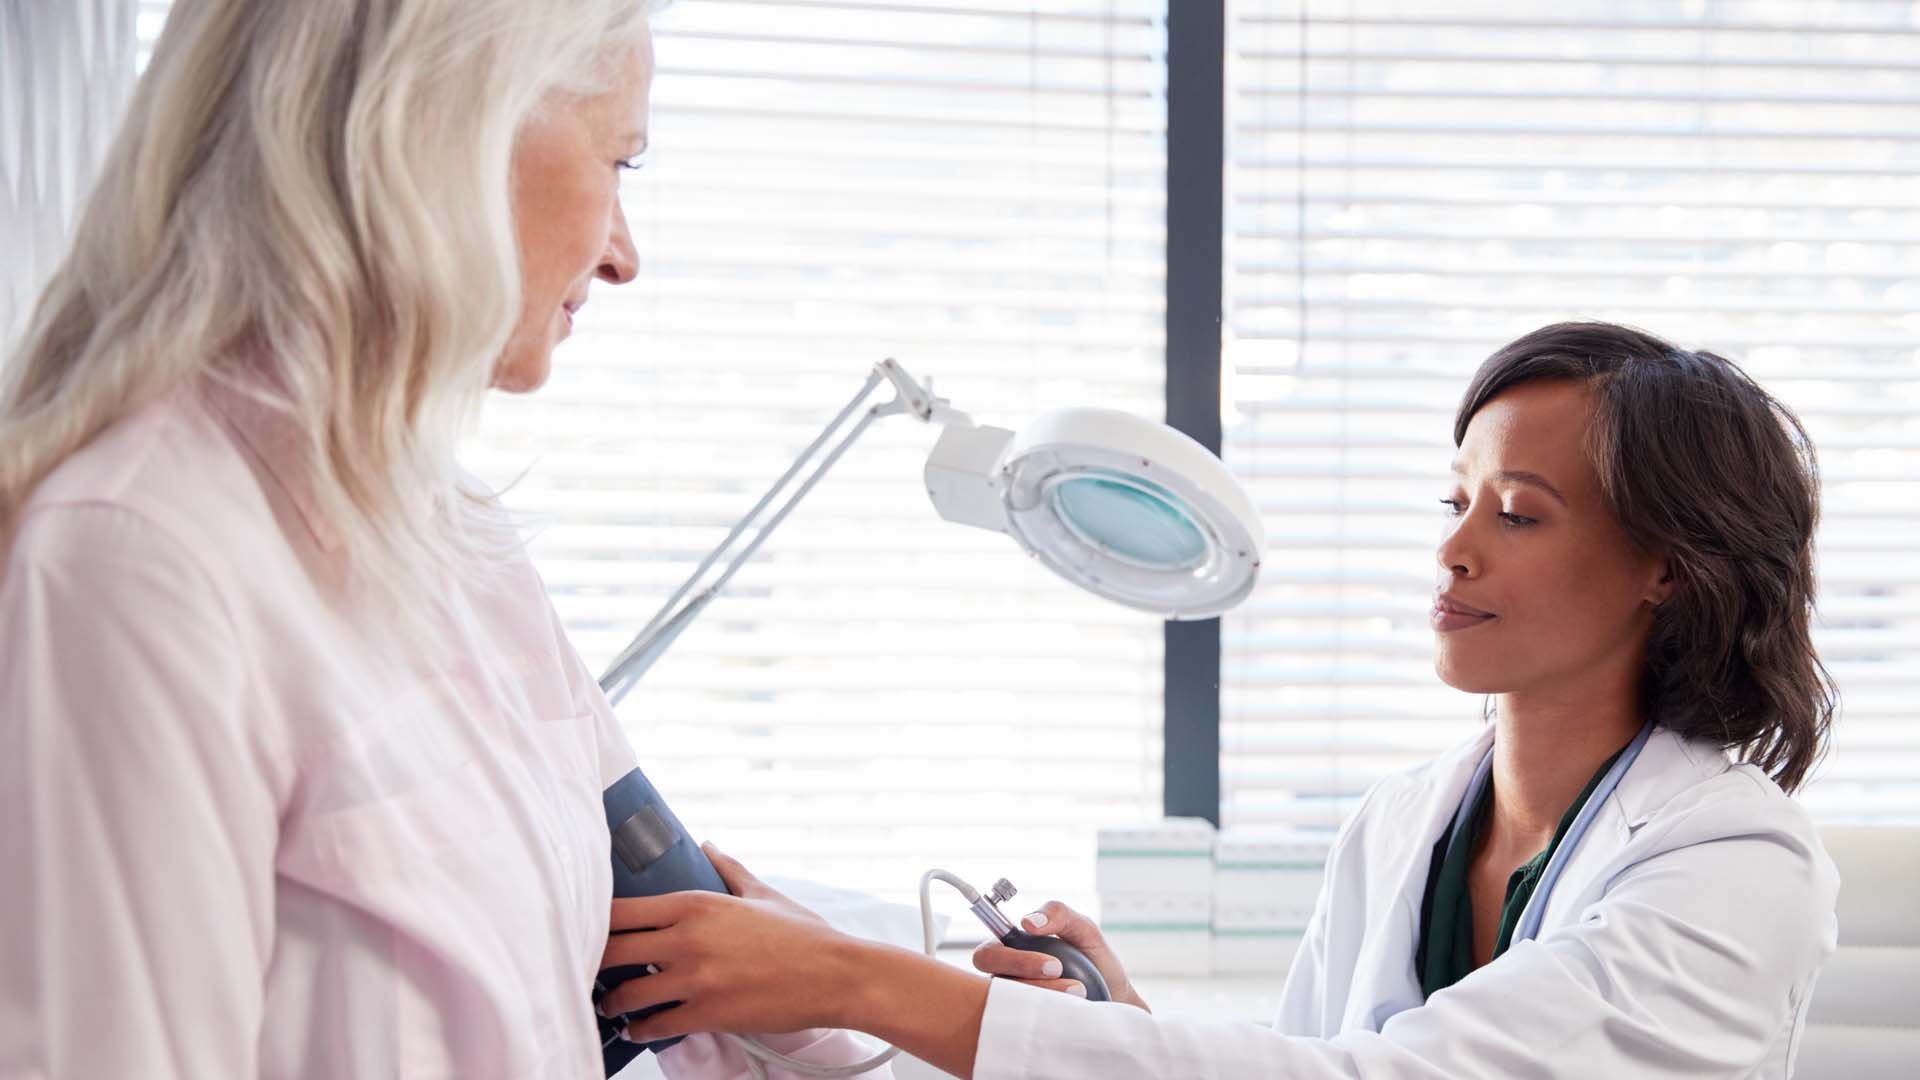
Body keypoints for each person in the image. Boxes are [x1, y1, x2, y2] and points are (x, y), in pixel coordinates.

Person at [0, 2, 884, 1077]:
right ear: (448, 134)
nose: (624, 256)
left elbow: (675, 964)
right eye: (619, 162)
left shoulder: (454, 532)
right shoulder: (140, 558)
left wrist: (883, 1004)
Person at [594, 322, 1841, 1080]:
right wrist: (1118, 1017)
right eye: (1453, 501)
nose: (1454, 550)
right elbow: (1303, 1062)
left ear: (1667, 567)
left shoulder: (1733, 867)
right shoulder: (1405, 820)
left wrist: (853, 981)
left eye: (1516, 514)